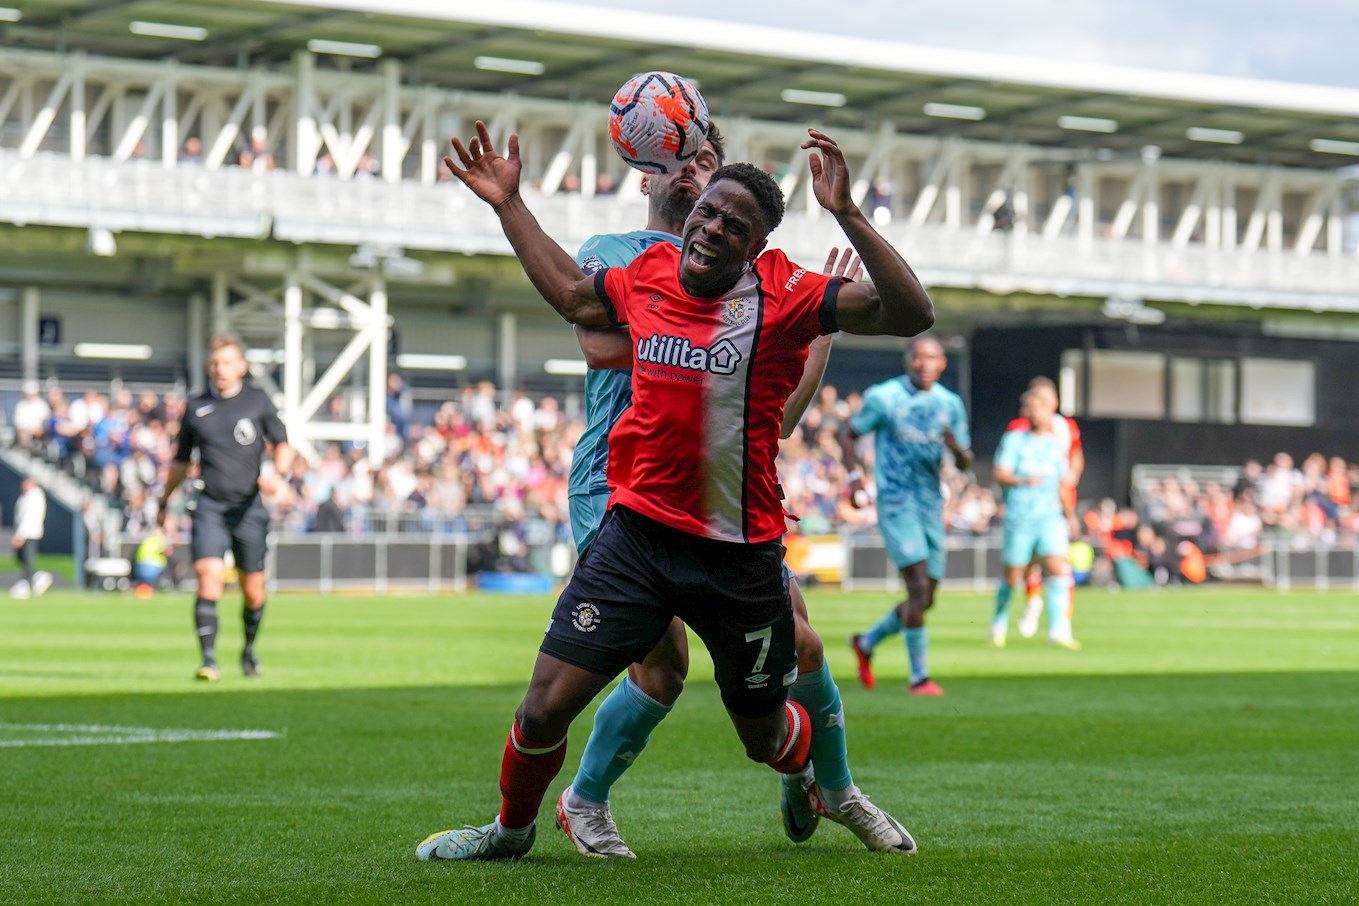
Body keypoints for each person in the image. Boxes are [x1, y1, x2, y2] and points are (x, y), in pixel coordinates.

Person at [417, 119, 934, 862]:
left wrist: (849, 214)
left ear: (757, 248)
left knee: (765, 737)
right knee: (543, 706)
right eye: (707, 214)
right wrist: (508, 204)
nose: (712, 228)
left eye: (734, 224)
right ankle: (511, 831)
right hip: (636, 537)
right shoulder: (645, 276)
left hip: (738, 553)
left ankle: (811, 781)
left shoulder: (787, 294)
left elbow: (911, 314)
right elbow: (572, 296)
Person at [555, 128, 907, 859]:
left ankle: (824, 784)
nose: (693, 175)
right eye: (678, 162)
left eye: (705, 162)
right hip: (619, 490)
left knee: (802, 643)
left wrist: (803, 342)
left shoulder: (748, 284)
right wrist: (722, 335)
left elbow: (772, 417)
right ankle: (583, 801)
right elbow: (594, 339)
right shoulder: (617, 252)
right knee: (662, 668)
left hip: (721, 500)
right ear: (649, 172)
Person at [158, 336, 293, 681]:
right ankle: (208, 661)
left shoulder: (257, 402)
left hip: (249, 508)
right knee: (209, 578)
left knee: (253, 590)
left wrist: (277, 475)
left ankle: (248, 651)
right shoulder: (196, 407)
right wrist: (164, 500)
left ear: (241, 367)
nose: (220, 368)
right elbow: (180, 461)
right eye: (216, 362)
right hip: (209, 506)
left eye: (227, 362)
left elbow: (283, 444)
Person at [844, 337, 972, 696]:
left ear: (942, 363)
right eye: (918, 357)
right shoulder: (884, 397)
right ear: (908, 361)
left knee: (926, 598)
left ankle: (866, 642)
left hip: (931, 504)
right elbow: (849, 434)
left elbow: (965, 460)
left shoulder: (950, 405)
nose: (924, 364)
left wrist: (955, 449)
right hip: (896, 502)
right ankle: (919, 678)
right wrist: (855, 478)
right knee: (917, 589)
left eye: (931, 358)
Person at [989, 388, 1080, 649]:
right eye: (1031, 407)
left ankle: (1059, 630)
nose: (1036, 412)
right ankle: (999, 624)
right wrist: (1022, 480)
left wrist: (1070, 514)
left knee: (1059, 570)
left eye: (1041, 407)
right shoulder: (1015, 441)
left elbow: (1062, 483)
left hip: (1049, 518)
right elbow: (1000, 473)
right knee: (1013, 576)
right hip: (1020, 517)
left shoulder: (1056, 445)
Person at [10, 477, 51, 599]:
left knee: (27, 558)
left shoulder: (34, 496)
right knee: (21, 558)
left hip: (29, 532)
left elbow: (29, 517)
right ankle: (35, 577)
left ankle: (28, 582)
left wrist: (21, 535)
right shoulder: (26, 496)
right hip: (24, 532)